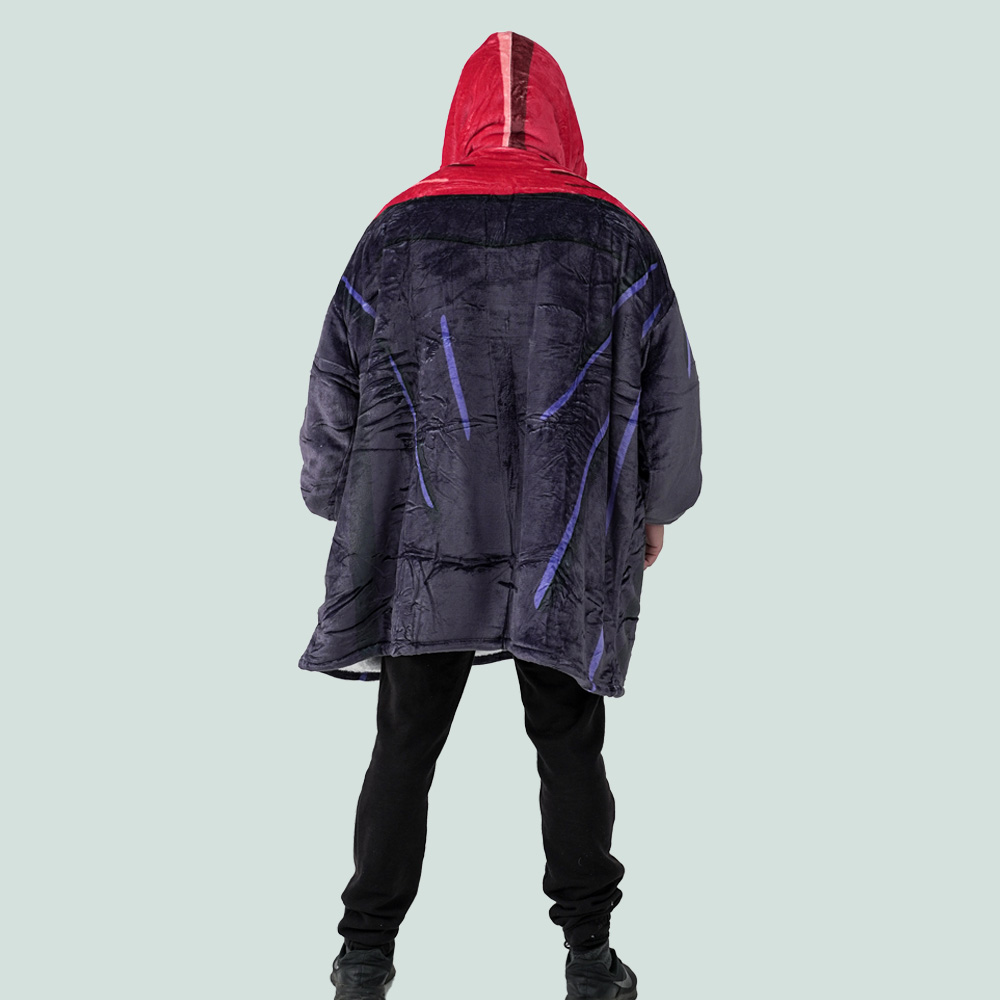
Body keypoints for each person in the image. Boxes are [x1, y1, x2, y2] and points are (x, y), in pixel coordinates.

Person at [298, 30, 703, 1000]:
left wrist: (337, 495)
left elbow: (332, 387)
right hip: (563, 538)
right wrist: (656, 506)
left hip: (425, 540)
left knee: (405, 741)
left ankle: (364, 960)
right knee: (568, 740)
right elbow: (673, 392)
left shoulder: (396, 232)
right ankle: (590, 961)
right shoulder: (618, 237)